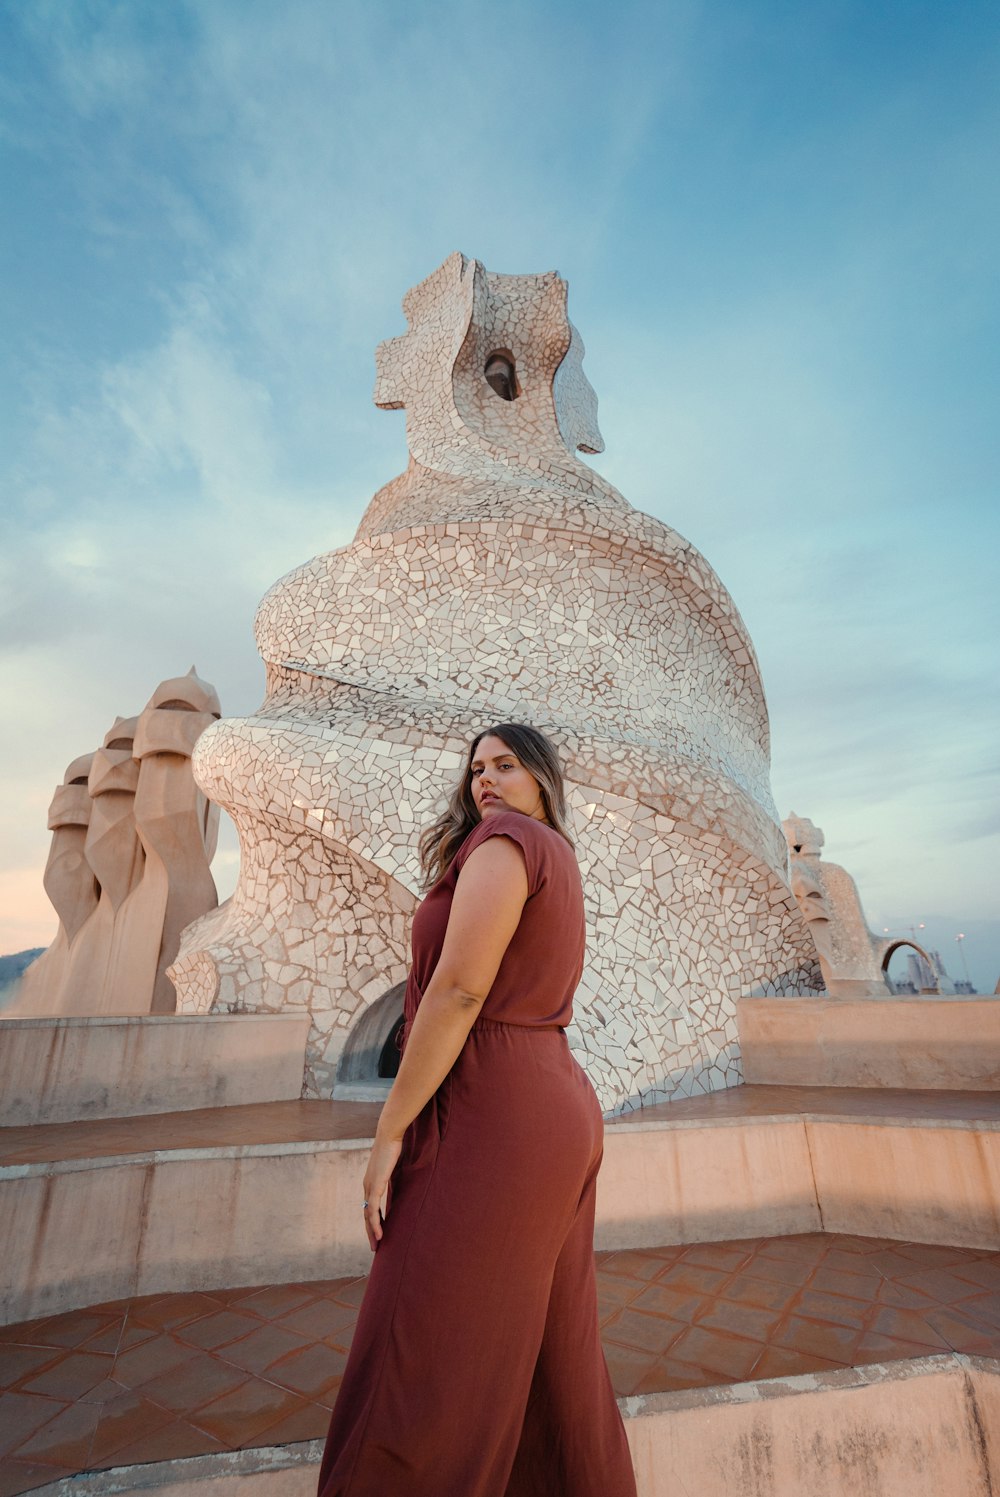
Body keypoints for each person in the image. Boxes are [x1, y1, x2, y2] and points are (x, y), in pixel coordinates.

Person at [317, 723, 638, 1497]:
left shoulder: (505, 841)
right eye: (476, 769)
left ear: (541, 779)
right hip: (548, 1100)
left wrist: (388, 1130)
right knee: (552, 1363)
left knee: (422, 1351)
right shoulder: (555, 855)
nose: (485, 780)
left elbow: (460, 990)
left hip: (494, 1107)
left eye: (505, 764)